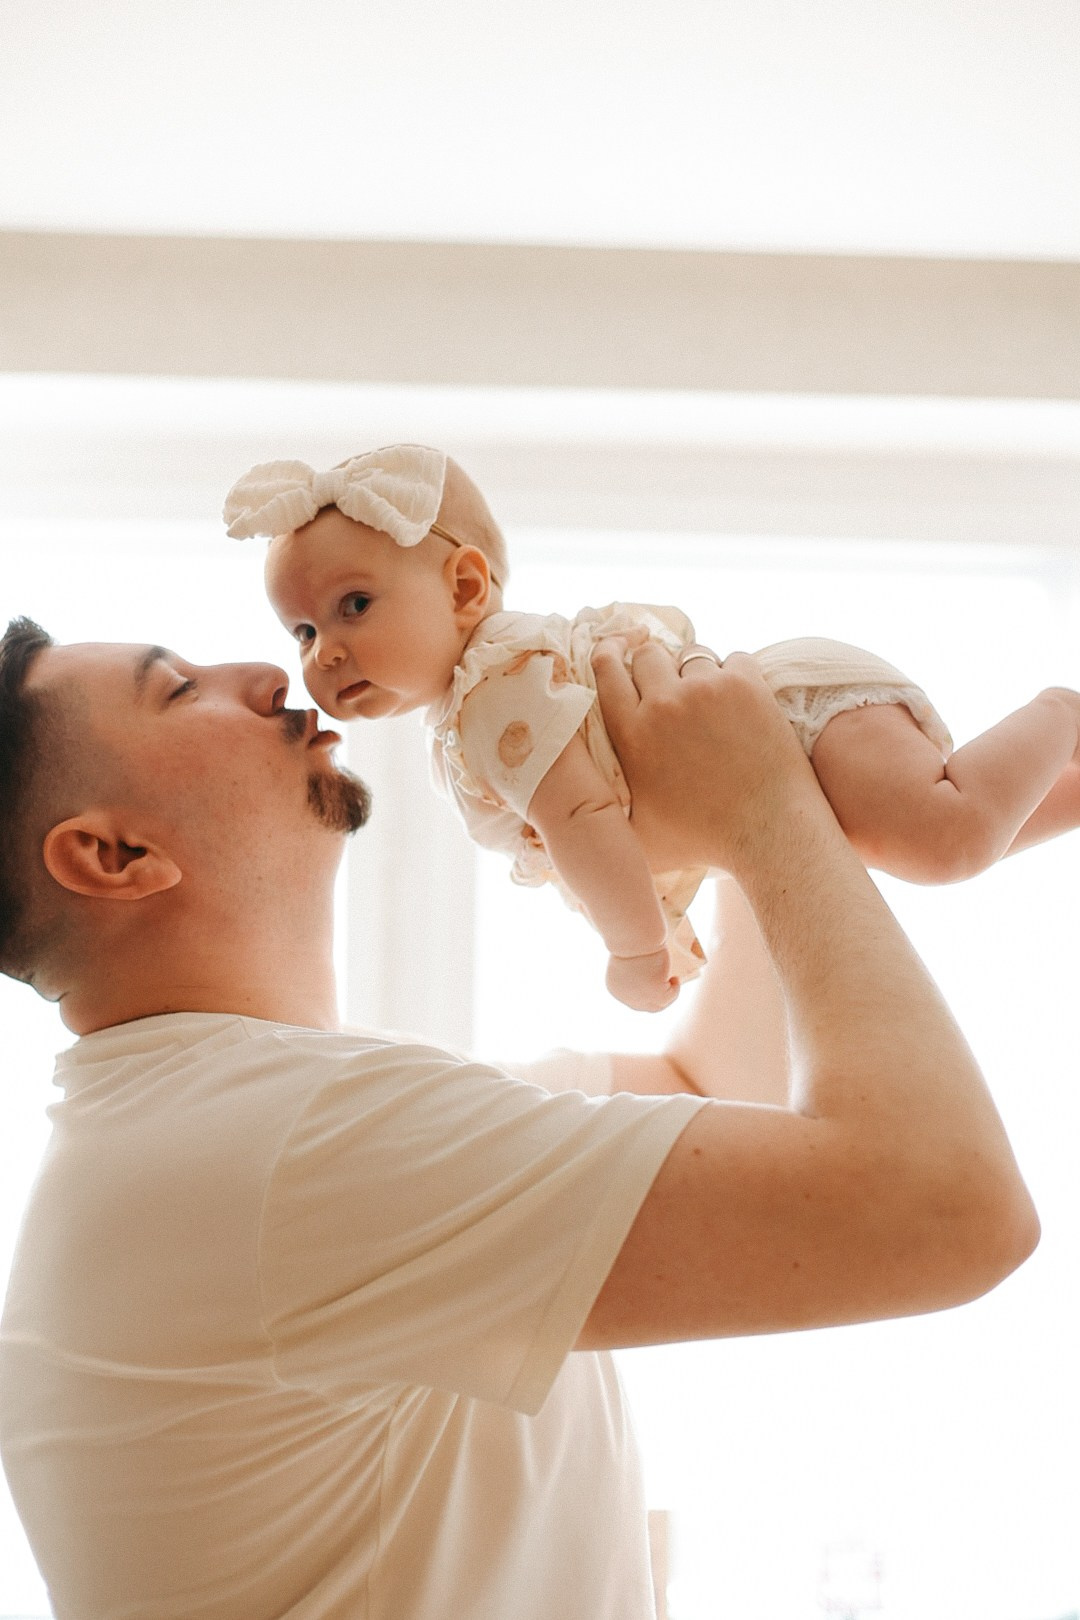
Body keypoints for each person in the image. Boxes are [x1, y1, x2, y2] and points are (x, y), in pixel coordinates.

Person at [0, 613, 1037, 1620]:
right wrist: (762, 808)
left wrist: (747, 802)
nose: (269, 675)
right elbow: (949, 1212)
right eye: (179, 689)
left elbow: (708, 1079)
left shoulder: (235, 1134)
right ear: (114, 856)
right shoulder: (286, 1146)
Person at [227, 445, 1080, 1012]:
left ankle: (1061, 713)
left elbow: (583, 817)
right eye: (301, 631)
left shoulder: (495, 688)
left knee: (946, 840)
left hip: (791, 724)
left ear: (464, 588)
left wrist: (634, 949)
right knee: (937, 843)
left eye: (354, 605)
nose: (324, 652)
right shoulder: (469, 715)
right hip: (778, 763)